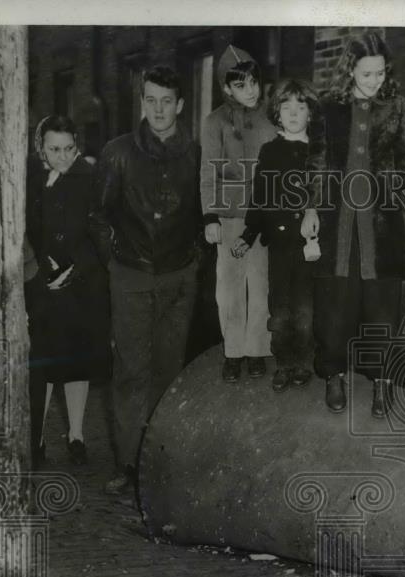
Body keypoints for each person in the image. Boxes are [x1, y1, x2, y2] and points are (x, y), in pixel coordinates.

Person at [302, 30, 405, 417]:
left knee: (382, 307)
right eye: (367, 73)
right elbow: (317, 162)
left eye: (380, 73)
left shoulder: (396, 107)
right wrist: (310, 209)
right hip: (336, 222)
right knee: (335, 303)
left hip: (383, 224)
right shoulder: (327, 107)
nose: (374, 81)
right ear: (350, 69)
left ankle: (380, 381)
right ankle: (333, 375)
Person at [90, 65, 204, 496]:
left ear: (179, 104)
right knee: (131, 371)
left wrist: (193, 264)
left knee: (168, 371)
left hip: (179, 277)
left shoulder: (195, 154)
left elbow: (204, 214)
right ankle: (128, 464)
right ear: (142, 102)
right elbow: (98, 217)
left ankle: (158, 463)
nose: (158, 109)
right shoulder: (116, 153)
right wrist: (117, 261)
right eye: (150, 100)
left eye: (166, 101)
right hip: (131, 275)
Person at [25, 114, 110, 467]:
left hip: (80, 285)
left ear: (77, 145)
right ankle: (37, 439)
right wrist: (42, 269)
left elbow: (101, 231)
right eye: (54, 150)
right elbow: (26, 230)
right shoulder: (31, 180)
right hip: (42, 284)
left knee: (77, 362)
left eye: (68, 149)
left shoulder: (90, 179)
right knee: (42, 362)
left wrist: (74, 268)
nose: (62, 157)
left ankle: (76, 435)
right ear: (41, 148)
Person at [235, 78, 320, 391]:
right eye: (287, 108)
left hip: (310, 246)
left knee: (305, 311)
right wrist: (248, 234)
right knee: (280, 310)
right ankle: (283, 362)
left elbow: (326, 195)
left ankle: (303, 362)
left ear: (310, 113)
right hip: (280, 246)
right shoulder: (270, 151)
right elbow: (259, 197)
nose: (294, 114)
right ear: (277, 114)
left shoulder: (318, 152)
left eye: (301, 107)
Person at [200, 45, 278, 382]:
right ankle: (233, 351)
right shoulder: (214, 121)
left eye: (254, 82)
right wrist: (210, 216)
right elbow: (208, 170)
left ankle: (257, 348)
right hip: (231, 218)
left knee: (260, 284)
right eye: (240, 85)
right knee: (230, 288)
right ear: (226, 88)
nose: (250, 91)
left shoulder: (270, 118)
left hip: (263, 216)